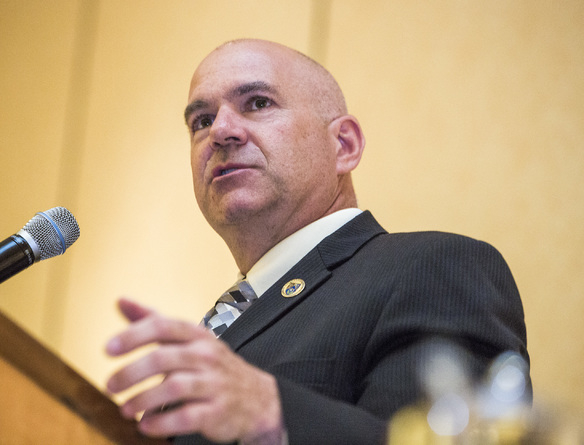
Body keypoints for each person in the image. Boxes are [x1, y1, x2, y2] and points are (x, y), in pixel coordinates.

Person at [105, 39, 530, 444]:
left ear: (344, 145)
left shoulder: (433, 267)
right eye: (201, 121)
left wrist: (273, 414)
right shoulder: (227, 322)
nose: (220, 131)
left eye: (258, 103)